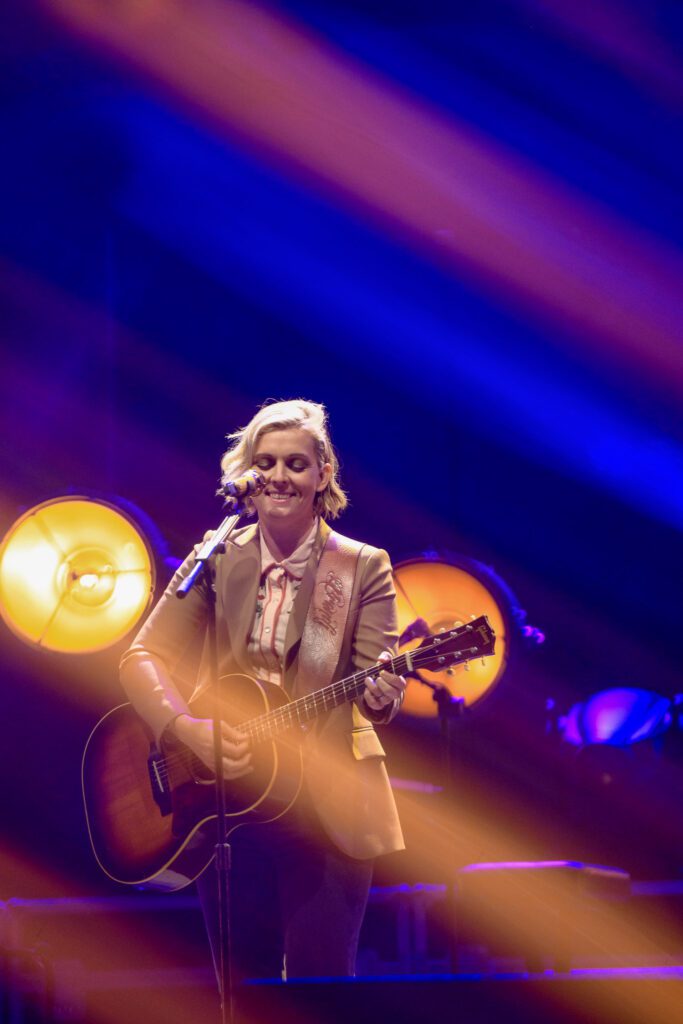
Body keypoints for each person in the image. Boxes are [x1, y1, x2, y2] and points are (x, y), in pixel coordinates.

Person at [119, 398, 406, 982]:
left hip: (328, 803)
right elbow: (142, 656)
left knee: (317, 993)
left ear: (323, 474)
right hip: (230, 802)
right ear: (245, 474)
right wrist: (185, 728)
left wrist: (382, 691)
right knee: (241, 993)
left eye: (296, 464)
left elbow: (379, 690)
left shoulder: (361, 566)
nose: (279, 477)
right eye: (266, 463)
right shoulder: (217, 553)